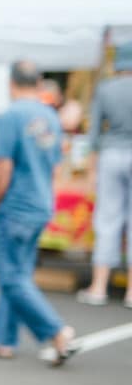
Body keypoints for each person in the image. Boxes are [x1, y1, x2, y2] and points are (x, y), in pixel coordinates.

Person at [0, 61, 76, 365]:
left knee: (12, 277)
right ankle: (3, 339)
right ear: (39, 82)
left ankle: (56, 331)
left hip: (15, 205)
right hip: (40, 203)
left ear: (11, 83)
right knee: (17, 274)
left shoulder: (12, 115)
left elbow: (2, 165)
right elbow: (56, 165)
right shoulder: (50, 116)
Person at [76, 42, 132, 307]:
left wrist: (91, 167)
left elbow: (94, 132)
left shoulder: (106, 89)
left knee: (107, 219)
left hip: (111, 154)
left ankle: (99, 286)